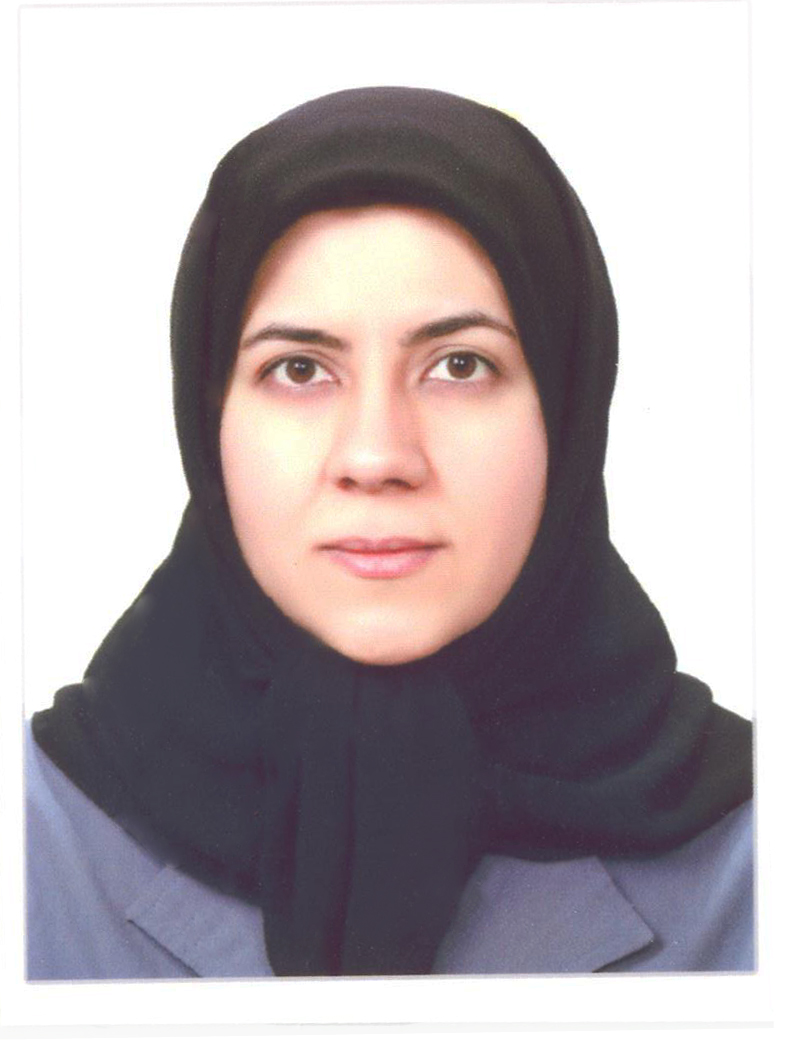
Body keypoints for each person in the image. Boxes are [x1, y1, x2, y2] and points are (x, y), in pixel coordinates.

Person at [26, 86, 753, 980]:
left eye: (460, 365)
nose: (375, 456)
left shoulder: (752, 869)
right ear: (208, 416)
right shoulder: (33, 842)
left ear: (566, 410)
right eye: (299, 369)